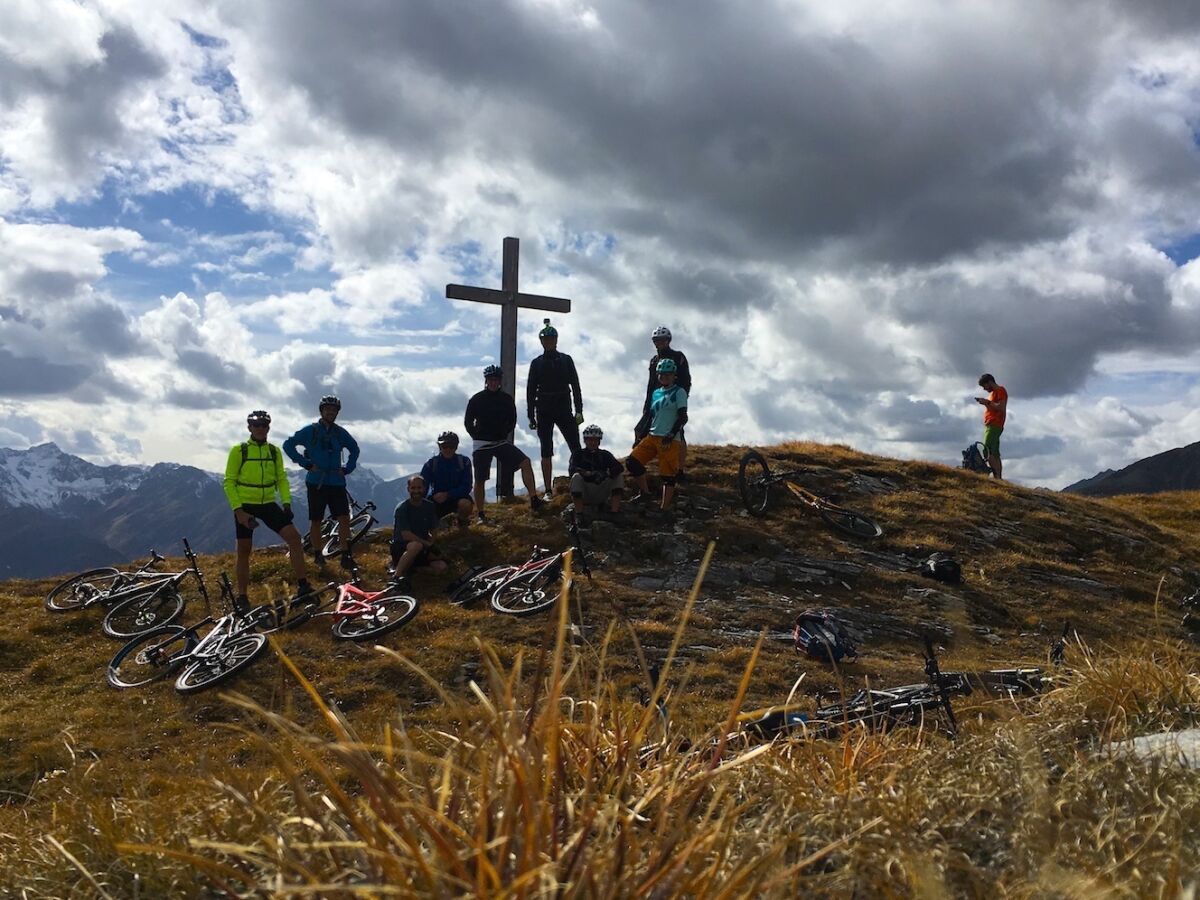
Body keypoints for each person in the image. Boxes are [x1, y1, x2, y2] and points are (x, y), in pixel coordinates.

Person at [222, 410, 310, 612]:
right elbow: (229, 482)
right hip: (246, 505)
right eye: (257, 425)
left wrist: (286, 503)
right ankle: (242, 596)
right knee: (244, 550)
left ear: (268, 428)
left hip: (268, 503)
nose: (261, 428)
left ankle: (303, 585)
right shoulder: (239, 450)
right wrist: (238, 511)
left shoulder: (273, 451)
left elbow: (281, 478)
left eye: (265, 425)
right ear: (249, 428)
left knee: (295, 539)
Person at [283, 394, 361, 569]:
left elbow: (354, 449)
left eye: (334, 410)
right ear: (322, 411)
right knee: (316, 520)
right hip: (316, 481)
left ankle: (345, 554)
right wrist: (305, 464)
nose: (331, 412)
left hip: (336, 481)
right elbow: (288, 444)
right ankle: (318, 554)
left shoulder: (340, 433)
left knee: (343, 519)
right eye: (328, 409)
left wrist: (348, 468)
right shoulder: (310, 431)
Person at [464, 364, 547, 523]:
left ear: (500, 381)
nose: (493, 382)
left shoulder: (506, 399)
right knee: (480, 479)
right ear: (486, 381)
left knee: (525, 462)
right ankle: (481, 514)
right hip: (481, 444)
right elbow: (468, 422)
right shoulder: (477, 399)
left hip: (500, 441)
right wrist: (476, 435)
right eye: (490, 380)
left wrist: (504, 432)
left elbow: (512, 419)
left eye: (496, 380)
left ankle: (534, 500)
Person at [527, 318, 584, 498]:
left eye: (551, 339)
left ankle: (579, 480)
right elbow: (530, 389)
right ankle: (548, 490)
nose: (549, 342)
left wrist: (579, 410)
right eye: (546, 339)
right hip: (543, 408)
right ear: (542, 341)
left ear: (556, 340)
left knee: (575, 445)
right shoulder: (536, 363)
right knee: (546, 449)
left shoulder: (566, 360)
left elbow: (575, 385)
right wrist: (530, 415)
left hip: (563, 406)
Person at [626, 358, 688, 510]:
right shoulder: (656, 393)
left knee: (667, 476)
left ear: (674, 376)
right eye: (661, 374)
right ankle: (645, 493)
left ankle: (664, 508)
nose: (664, 377)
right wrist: (641, 436)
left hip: (669, 439)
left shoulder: (679, 392)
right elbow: (651, 416)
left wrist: (672, 433)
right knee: (632, 462)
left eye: (668, 374)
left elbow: (683, 416)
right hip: (652, 436)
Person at [639, 325, 692, 477]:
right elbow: (650, 384)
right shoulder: (654, 360)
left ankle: (680, 470)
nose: (659, 343)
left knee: (679, 433)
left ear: (668, 340)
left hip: (675, 399)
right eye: (656, 340)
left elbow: (686, 380)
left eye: (662, 340)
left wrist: (681, 397)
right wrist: (646, 405)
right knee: (645, 430)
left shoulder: (678, 356)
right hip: (656, 400)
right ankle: (647, 464)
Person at [389, 475, 448, 587]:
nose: (416, 491)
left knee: (442, 567)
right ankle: (396, 577)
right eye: (413, 488)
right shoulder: (402, 508)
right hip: (402, 547)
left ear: (424, 488)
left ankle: (413, 570)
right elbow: (406, 535)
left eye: (419, 488)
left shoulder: (429, 506)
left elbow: (434, 527)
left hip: (422, 547)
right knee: (416, 545)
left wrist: (432, 542)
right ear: (408, 489)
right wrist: (427, 544)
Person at [420, 431, 474, 526]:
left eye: (451, 446)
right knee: (425, 508)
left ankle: (461, 524)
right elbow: (423, 486)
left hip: (457, 498)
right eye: (444, 446)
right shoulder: (431, 464)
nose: (448, 449)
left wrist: (448, 494)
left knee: (465, 504)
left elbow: (467, 486)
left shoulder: (464, 462)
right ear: (439, 447)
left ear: (456, 447)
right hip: (436, 500)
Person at [569, 424, 625, 516]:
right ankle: (579, 515)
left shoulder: (605, 454)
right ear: (585, 440)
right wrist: (587, 474)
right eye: (590, 440)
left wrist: (605, 474)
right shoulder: (578, 454)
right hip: (584, 492)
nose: (593, 443)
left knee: (618, 476)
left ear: (599, 441)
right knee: (576, 477)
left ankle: (614, 513)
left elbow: (619, 467)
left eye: (595, 440)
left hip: (601, 491)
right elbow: (572, 470)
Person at [975, 373, 1008, 480]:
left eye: (984, 386)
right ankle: (999, 478)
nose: (984, 389)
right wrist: (985, 403)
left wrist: (987, 402)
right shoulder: (994, 393)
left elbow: (1001, 407)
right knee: (994, 452)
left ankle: (996, 477)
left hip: (994, 424)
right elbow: (994, 407)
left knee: (987, 450)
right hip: (992, 424)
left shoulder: (1000, 391)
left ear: (989, 382)